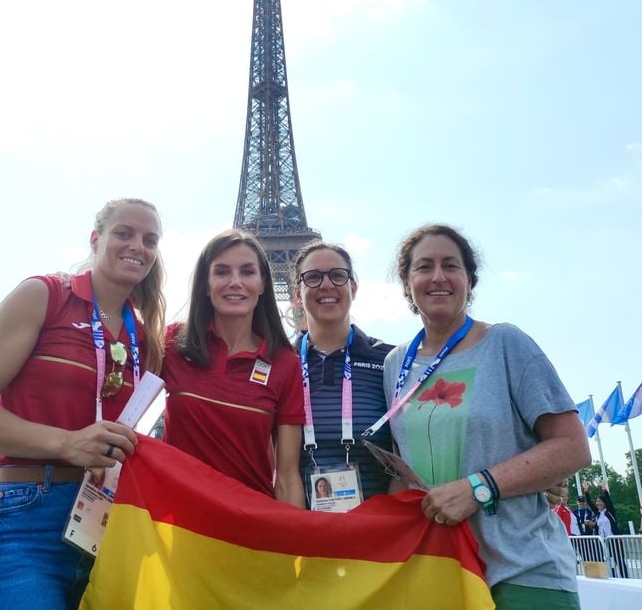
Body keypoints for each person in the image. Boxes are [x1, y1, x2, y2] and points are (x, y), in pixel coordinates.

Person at [0, 198, 167, 610]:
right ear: (96, 239)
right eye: (124, 233)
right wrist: (67, 444)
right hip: (29, 514)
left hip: (113, 526)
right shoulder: (44, 296)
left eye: (150, 239)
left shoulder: (147, 336)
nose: (138, 245)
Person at [383, 224, 590, 610]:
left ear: (469, 279)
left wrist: (479, 487)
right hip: (441, 573)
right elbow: (404, 472)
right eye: (424, 266)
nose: (438, 276)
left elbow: (573, 448)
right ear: (407, 282)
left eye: (451, 265)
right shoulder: (395, 365)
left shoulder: (506, 343)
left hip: (521, 572)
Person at [161, 229, 305, 507]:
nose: (235, 282)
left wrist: (295, 548)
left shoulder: (285, 364)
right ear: (206, 283)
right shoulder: (173, 342)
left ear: (264, 283)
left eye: (248, 272)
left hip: (246, 529)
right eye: (222, 272)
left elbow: (287, 477)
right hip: (178, 521)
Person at [292, 241, 394, 507]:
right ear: (296, 294)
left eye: (337, 275)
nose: (326, 285)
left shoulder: (391, 360)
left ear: (353, 287)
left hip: (379, 534)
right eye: (313, 277)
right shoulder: (281, 364)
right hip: (304, 536)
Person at [583, 480, 628, 578]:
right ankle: (608, 577)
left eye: (600, 501)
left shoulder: (610, 511)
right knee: (603, 560)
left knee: (619, 560)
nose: (597, 503)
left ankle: (625, 577)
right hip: (602, 541)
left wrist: (604, 489)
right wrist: (586, 491)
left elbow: (609, 500)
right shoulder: (598, 513)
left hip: (613, 540)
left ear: (604, 503)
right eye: (597, 501)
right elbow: (590, 503)